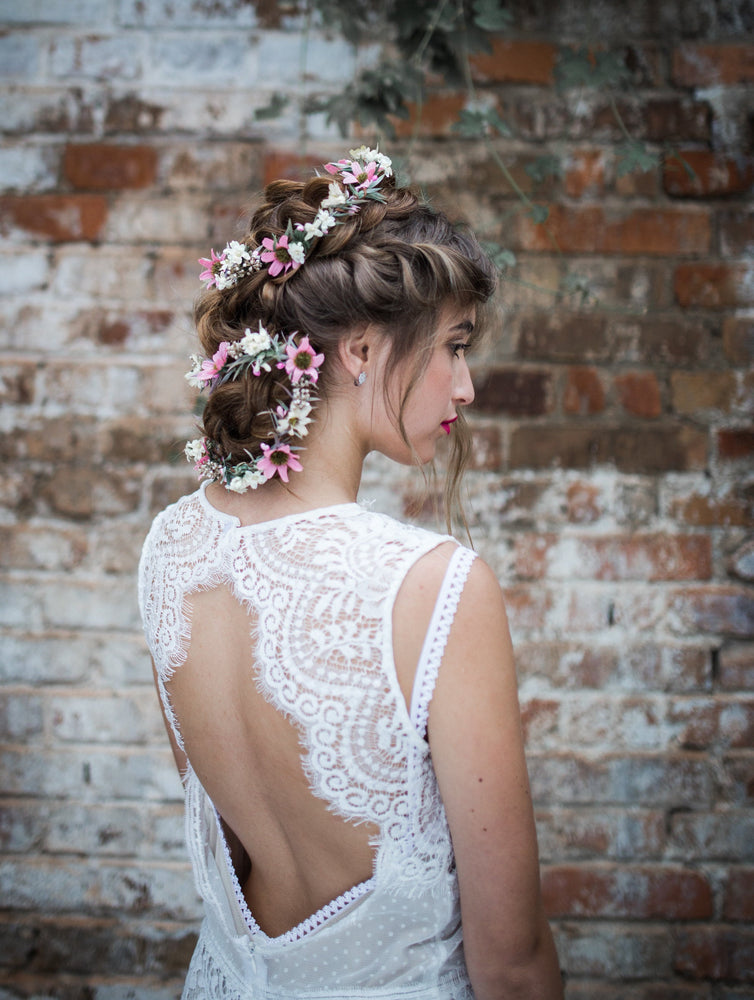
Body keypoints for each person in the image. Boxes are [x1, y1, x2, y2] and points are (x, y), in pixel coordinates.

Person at [138, 146, 563, 1000]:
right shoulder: (433, 586)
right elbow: (511, 966)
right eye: (453, 346)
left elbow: (235, 822)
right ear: (361, 350)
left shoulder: (169, 548)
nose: (467, 385)